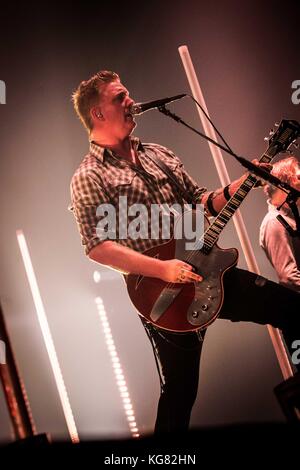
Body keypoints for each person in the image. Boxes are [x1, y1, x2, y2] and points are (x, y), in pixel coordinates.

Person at [70, 71, 300, 434]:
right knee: (179, 394)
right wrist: (163, 271)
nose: (131, 101)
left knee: (294, 310)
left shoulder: (159, 153)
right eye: (120, 97)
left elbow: (201, 202)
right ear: (98, 113)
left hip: (209, 270)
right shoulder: (88, 175)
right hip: (162, 295)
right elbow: (97, 246)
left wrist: (245, 179)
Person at [260, 156, 300, 293]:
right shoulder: (274, 222)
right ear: (285, 184)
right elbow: (289, 278)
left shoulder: (291, 216)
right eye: (298, 178)